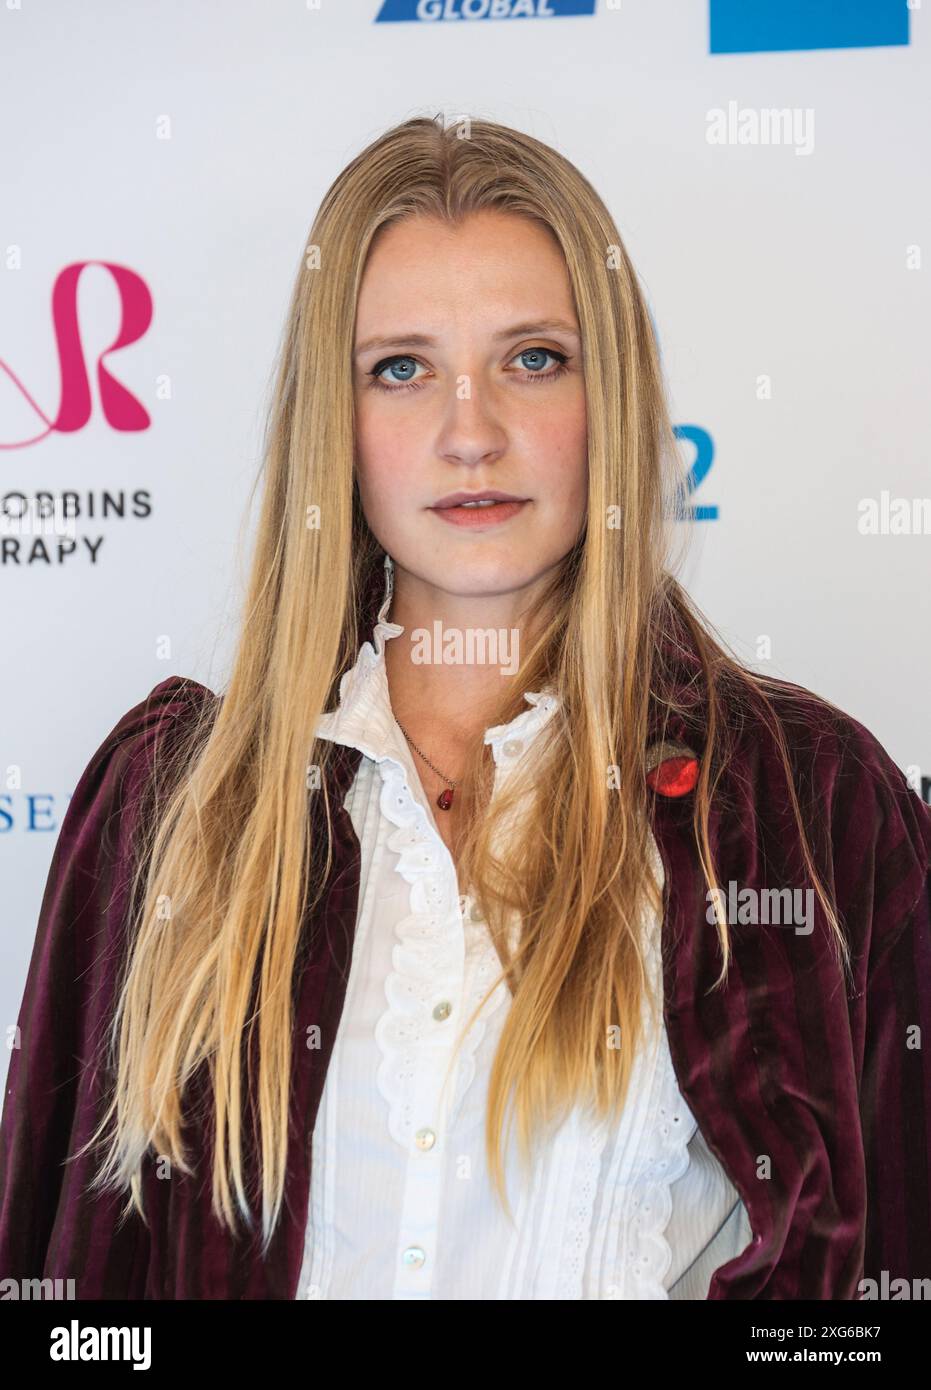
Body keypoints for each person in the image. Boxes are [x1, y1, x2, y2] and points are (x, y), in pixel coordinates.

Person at [1, 116, 929, 1301]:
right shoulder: (166, 805)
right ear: (333, 428)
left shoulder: (809, 808)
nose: (469, 432)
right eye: (401, 367)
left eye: (532, 357)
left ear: (616, 398)